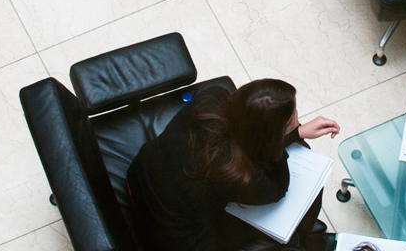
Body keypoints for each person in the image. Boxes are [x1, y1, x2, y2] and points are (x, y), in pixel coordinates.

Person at [126, 79, 341, 250]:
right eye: (292, 118)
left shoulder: (213, 96)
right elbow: (278, 189)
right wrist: (289, 137)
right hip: (171, 238)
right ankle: (303, 242)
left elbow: (243, 131)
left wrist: (294, 132)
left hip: (140, 179)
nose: (297, 117)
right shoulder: (240, 175)